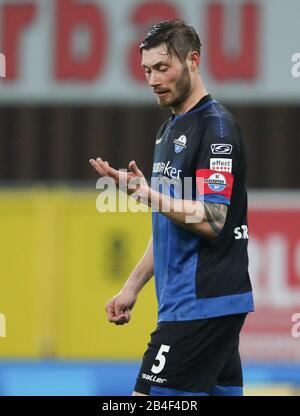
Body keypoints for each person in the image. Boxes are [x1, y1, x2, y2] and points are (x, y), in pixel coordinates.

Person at [89, 20, 254, 396]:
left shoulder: (217, 129)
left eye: (163, 67)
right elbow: (171, 224)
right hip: (196, 304)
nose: (153, 79)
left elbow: (212, 219)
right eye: (147, 70)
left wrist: (146, 194)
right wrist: (131, 287)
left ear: (193, 60)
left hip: (202, 304)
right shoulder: (169, 131)